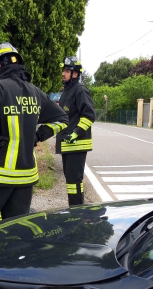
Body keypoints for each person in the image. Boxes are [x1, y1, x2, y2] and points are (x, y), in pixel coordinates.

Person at [0, 42, 69, 230]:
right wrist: (38, 136)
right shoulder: (36, 92)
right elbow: (62, 119)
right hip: (25, 178)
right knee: (17, 231)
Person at [56, 56, 95, 205]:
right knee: (70, 181)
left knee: (74, 181)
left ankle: (77, 212)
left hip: (76, 144)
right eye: (63, 70)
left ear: (76, 74)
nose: (63, 74)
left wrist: (76, 133)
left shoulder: (80, 90)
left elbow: (89, 115)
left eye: (67, 71)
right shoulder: (67, 91)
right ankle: (74, 209)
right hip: (67, 144)